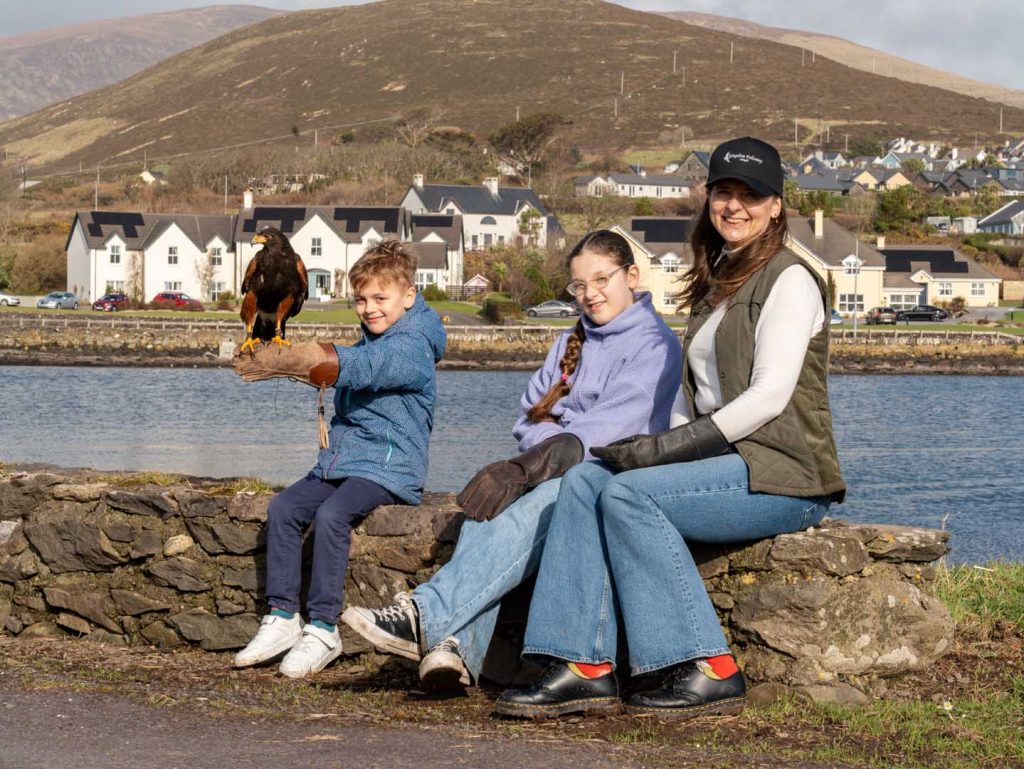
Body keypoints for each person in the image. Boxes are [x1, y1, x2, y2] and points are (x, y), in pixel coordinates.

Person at [497, 137, 846, 719]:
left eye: (750, 195)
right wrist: (659, 450)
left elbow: (768, 397)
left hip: (784, 474)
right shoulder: (720, 282)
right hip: (723, 466)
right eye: (723, 192)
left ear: (777, 205)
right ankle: (581, 666)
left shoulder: (792, 279)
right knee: (588, 481)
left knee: (630, 493)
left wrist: (667, 449)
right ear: (709, 198)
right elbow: (695, 395)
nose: (735, 206)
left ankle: (709, 666)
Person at [341, 230, 683, 689]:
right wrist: (545, 452)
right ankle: (455, 649)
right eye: (579, 286)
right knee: (489, 507)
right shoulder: (571, 341)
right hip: (557, 465)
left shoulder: (656, 346)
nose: (590, 294)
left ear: (633, 276)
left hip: (617, 480)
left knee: (545, 498)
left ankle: (426, 615)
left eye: (602, 279)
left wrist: (542, 459)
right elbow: (529, 417)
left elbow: (614, 430)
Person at [230, 240, 446, 678]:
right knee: (284, 508)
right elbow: (354, 369)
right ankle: (284, 617)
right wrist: (292, 366)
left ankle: (324, 627)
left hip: (389, 467)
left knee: (331, 516)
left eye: (380, 299)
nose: (368, 308)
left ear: (409, 296)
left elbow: (368, 368)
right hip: (344, 462)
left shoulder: (413, 346)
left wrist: (307, 358)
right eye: (361, 299)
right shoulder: (371, 339)